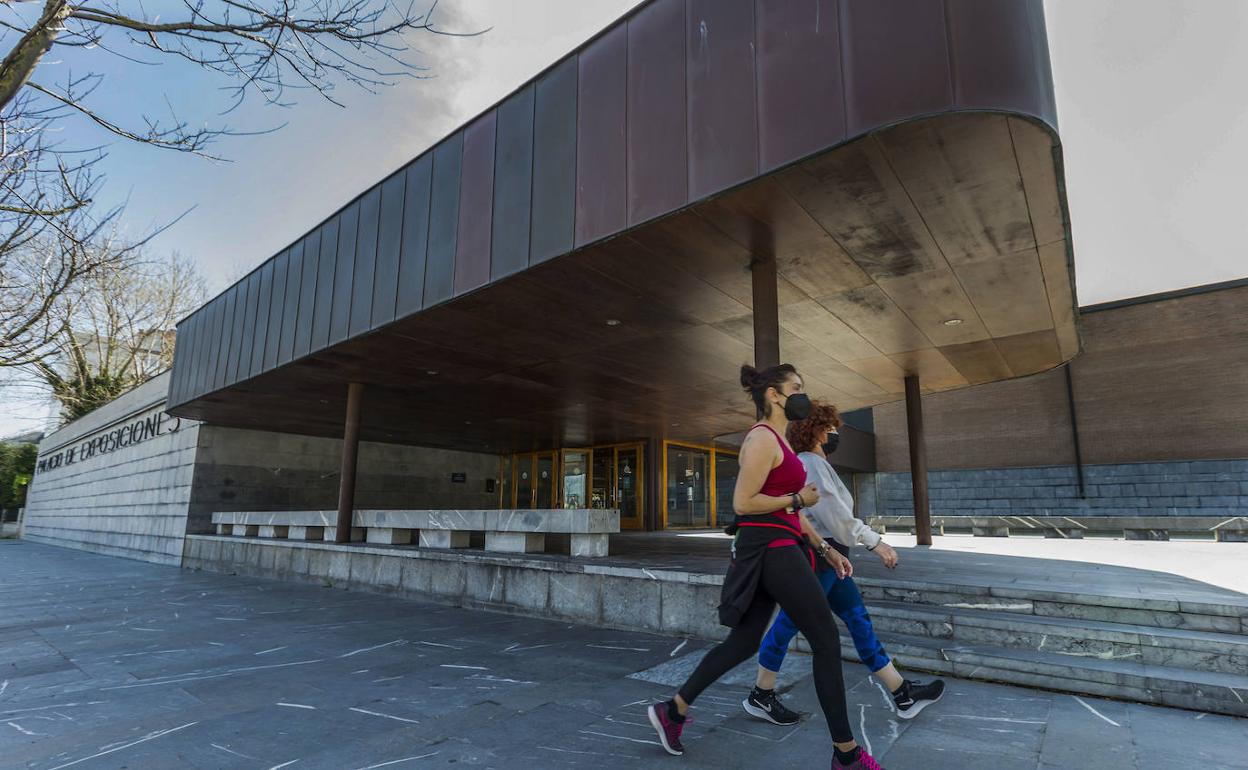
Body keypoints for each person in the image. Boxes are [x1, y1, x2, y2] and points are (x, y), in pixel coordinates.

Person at [647, 364, 885, 770]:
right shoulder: (761, 438)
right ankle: (847, 755)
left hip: (779, 546)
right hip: (772, 551)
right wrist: (797, 501)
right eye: (796, 388)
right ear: (774, 395)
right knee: (825, 639)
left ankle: (673, 710)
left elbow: (795, 512)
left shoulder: (781, 442)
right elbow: (743, 503)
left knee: (744, 642)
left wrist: (826, 550)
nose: (802, 396)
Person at [742, 400, 945, 726]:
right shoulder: (811, 465)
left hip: (831, 561)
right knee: (789, 624)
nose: (835, 433)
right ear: (819, 430)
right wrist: (876, 543)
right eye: (832, 427)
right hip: (819, 557)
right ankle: (760, 694)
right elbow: (837, 519)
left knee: (858, 620)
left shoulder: (816, 464)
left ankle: (902, 693)